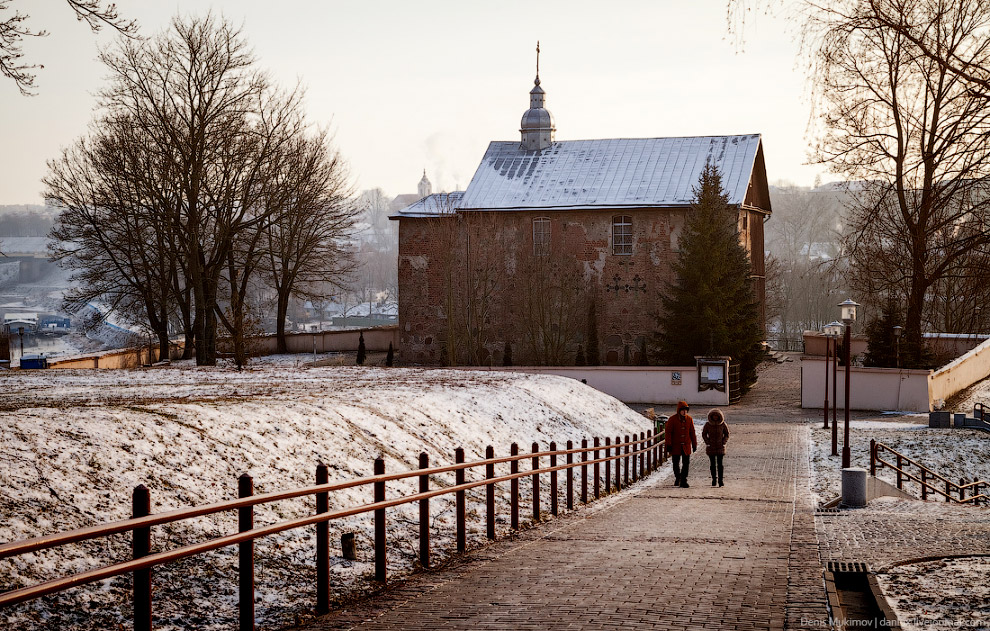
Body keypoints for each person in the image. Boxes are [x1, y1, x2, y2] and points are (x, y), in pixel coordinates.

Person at [665, 401, 697, 488]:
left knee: (686, 463)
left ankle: (684, 480)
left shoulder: (689, 419)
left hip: (686, 445)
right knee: (676, 463)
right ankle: (677, 477)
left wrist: (694, 444)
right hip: (675, 445)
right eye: (682, 410)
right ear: (679, 411)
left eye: (686, 410)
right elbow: (668, 432)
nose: (684, 412)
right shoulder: (672, 419)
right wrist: (668, 444)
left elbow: (692, 432)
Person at [702, 408, 729, 487]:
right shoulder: (708, 425)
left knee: (720, 465)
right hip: (711, 447)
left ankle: (721, 480)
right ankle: (714, 479)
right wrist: (708, 442)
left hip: (720, 447)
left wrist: (723, 442)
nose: (715, 417)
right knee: (712, 464)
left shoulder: (723, 424)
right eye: (714, 416)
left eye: (717, 416)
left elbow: (727, 434)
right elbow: (704, 434)